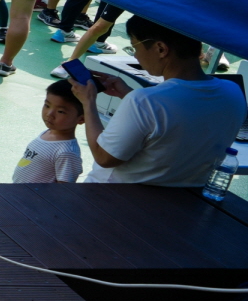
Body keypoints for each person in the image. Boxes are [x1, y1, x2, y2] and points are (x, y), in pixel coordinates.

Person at [71, 15, 246, 185]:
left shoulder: (144, 101)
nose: (135, 56)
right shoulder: (233, 91)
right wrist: (130, 94)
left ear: (161, 49)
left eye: (135, 47)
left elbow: (104, 157)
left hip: (117, 198)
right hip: (184, 199)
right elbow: (176, 113)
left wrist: (89, 102)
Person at [11, 79, 85, 183]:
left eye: (60, 111)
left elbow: (64, 189)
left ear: (81, 119)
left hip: (33, 198)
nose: (49, 114)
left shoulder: (67, 152)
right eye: (47, 105)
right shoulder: (47, 133)